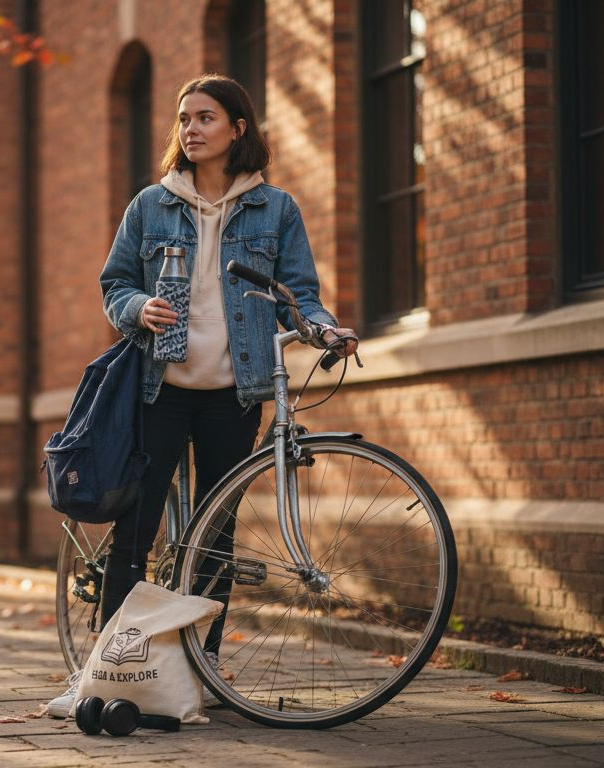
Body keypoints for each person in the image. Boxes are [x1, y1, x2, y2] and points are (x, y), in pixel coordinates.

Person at [97, 74, 358, 653]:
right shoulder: (150, 205)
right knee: (137, 527)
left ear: (238, 129)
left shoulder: (277, 209)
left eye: (205, 118)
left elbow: (298, 297)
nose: (191, 128)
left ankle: (200, 663)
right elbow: (114, 283)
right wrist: (140, 308)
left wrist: (322, 330)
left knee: (215, 535)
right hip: (158, 388)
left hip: (234, 396)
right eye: (185, 119)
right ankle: (110, 664)